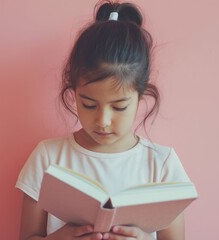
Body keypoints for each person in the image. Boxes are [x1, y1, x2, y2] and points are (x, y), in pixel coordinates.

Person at [15, 1, 191, 239]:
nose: (103, 121)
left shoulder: (162, 165)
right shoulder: (48, 157)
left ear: (141, 96)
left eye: (119, 107)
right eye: (89, 104)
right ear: (73, 93)